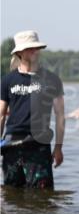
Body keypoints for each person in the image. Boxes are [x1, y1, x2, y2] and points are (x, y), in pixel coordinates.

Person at [0, 30, 65, 189]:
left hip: (39, 146)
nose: (35, 51)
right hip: (11, 147)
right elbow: (1, 115)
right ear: (20, 52)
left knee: (42, 198)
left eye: (36, 48)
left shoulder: (51, 79)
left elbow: (60, 115)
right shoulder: (8, 80)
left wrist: (58, 148)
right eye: (30, 48)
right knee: (11, 195)